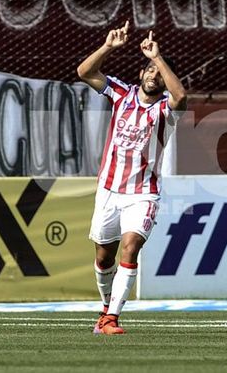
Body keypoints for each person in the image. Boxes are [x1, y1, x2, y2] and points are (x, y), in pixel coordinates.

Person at [76, 21, 187, 335]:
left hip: (143, 194)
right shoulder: (121, 93)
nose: (153, 73)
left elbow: (181, 97)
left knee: (131, 246)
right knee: (102, 255)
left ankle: (112, 318)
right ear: (140, 74)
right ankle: (105, 309)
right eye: (148, 69)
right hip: (109, 190)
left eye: (158, 71)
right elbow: (84, 72)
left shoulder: (166, 110)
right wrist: (108, 47)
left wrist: (159, 57)